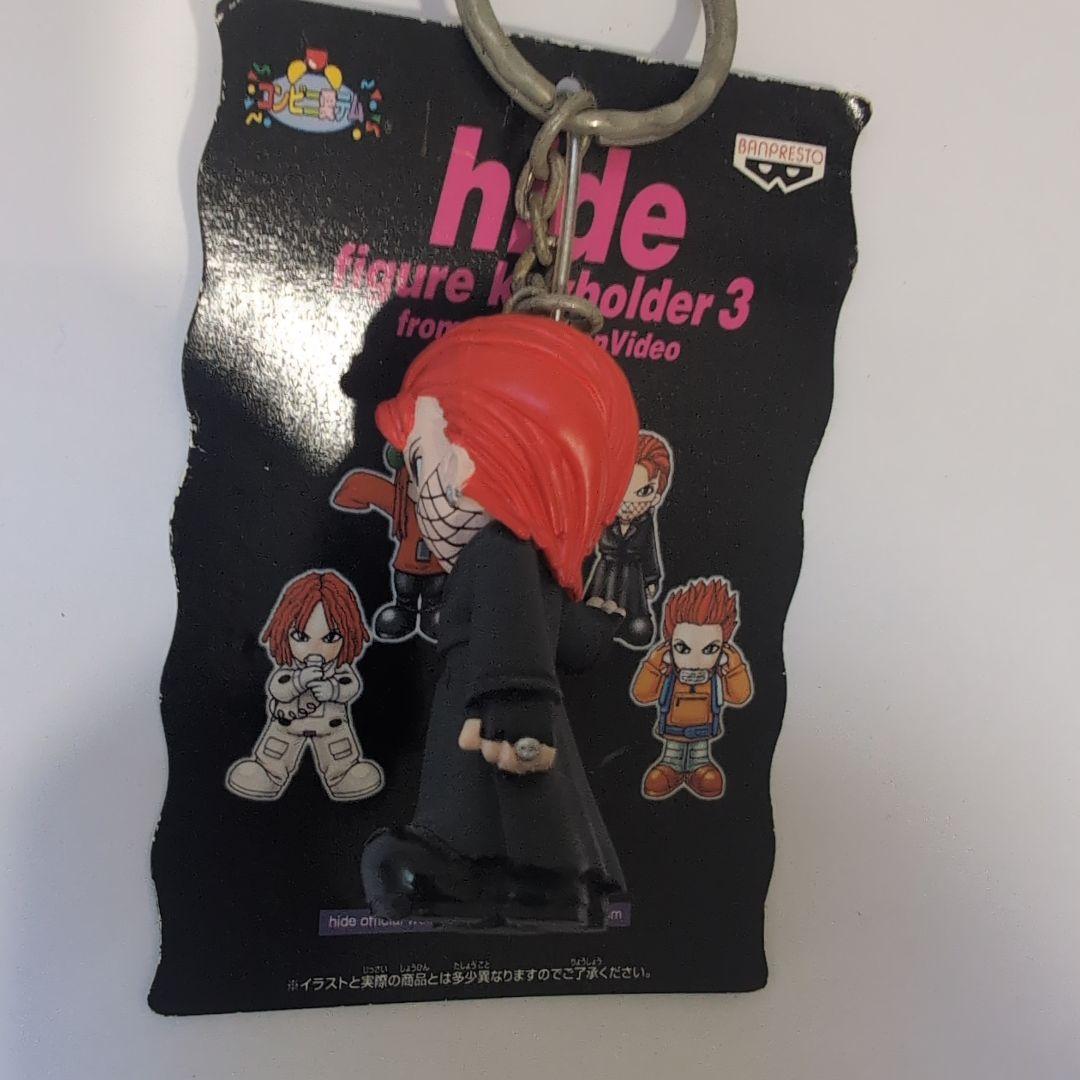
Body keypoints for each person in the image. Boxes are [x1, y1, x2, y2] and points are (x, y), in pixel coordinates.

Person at [359, 314, 639, 931]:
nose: (417, 489)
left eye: (421, 459)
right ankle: (533, 880)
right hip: (493, 710)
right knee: (494, 800)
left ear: (493, 459)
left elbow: (521, 636)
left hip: (497, 713)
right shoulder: (515, 562)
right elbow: (561, 637)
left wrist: (516, 710)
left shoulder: (498, 553)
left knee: (508, 797)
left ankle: (536, 882)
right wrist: (597, 630)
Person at [225, 570, 384, 802]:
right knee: (274, 754)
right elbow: (277, 689)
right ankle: (266, 771)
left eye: (330, 638)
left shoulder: (339, 669)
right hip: (288, 725)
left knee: (341, 756)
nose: (315, 648)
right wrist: (299, 681)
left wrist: (333, 690)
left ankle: (344, 774)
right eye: (300, 637)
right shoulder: (289, 668)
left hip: (331, 727)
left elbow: (351, 685)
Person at [630, 576, 753, 800]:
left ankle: (698, 770)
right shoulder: (668, 675)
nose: (695, 661)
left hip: (702, 738)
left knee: (701, 763)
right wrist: (654, 664)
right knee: (671, 760)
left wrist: (734, 666)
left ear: (723, 650)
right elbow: (642, 694)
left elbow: (739, 696)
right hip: (673, 735)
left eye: (710, 649)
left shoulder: (716, 678)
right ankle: (671, 770)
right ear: (669, 646)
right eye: (682, 648)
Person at [332, 444, 447, 642]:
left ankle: (432, 615)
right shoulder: (400, 503)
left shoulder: (450, 511)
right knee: (406, 594)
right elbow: (369, 486)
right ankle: (404, 612)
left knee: (435, 600)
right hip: (406, 569)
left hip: (437, 570)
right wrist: (349, 497)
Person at [584, 431, 673, 649]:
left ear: (656, 496)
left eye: (644, 491)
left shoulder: (645, 523)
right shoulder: (604, 516)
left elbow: (649, 550)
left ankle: (629, 626)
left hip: (633, 574)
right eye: (620, 489)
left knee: (636, 622)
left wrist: (651, 579)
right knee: (597, 608)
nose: (629, 502)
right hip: (606, 569)